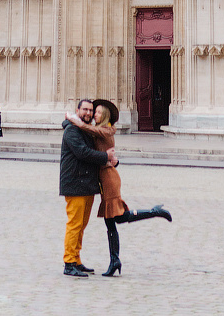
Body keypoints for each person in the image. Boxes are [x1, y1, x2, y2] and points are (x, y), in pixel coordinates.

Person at [67, 98, 172, 277]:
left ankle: (154, 212)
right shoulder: (100, 130)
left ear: (105, 115)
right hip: (104, 176)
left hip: (108, 179)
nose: (94, 114)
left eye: (98, 112)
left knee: (119, 218)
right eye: (94, 111)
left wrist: (73, 119)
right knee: (110, 222)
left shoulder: (104, 130)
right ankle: (114, 261)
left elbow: (89, 130)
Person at [59, 98, 115, 277]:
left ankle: (76, 259)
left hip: (87, 184)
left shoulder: (85, 131)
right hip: (75, 183)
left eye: (91, 111)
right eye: (85, 110)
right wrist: (104, 156)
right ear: (77, 110)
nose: (89, 113)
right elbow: (82, 152)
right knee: (74, 225)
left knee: (81, 225)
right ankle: (69, 262)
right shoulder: (72, 131)